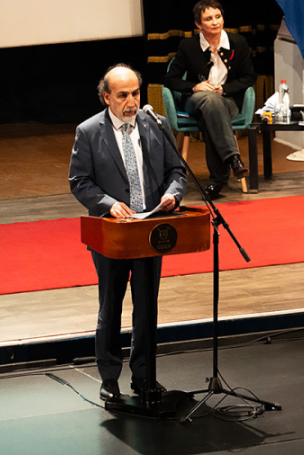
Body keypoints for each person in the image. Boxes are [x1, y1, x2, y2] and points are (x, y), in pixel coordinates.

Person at [68, 64, 187, 401]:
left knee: (146, 308)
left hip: (150, 231)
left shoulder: (156, 124)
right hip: (112, 234)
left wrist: (173, 194)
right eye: (123, 95)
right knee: (111, 307)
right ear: (107, 97)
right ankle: (109, 379)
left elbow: (177, 170)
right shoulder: (89, 131)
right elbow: (79, 181)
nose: (131, 101)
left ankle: (144, 377)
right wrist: (108, 204)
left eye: (135, 93)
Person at [163, 0, 256, 199]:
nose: (215, 22)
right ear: (198, 24)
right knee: (209, 101)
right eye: (208, 19)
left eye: (218, 17)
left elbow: (249, 77)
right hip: (196, 101)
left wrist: (224, 89)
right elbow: (170, 79)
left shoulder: (238, 43)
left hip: (228, 101)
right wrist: (194, 87)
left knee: (212, 112)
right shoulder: (188, 46)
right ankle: (233, 158)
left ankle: (217, 181)